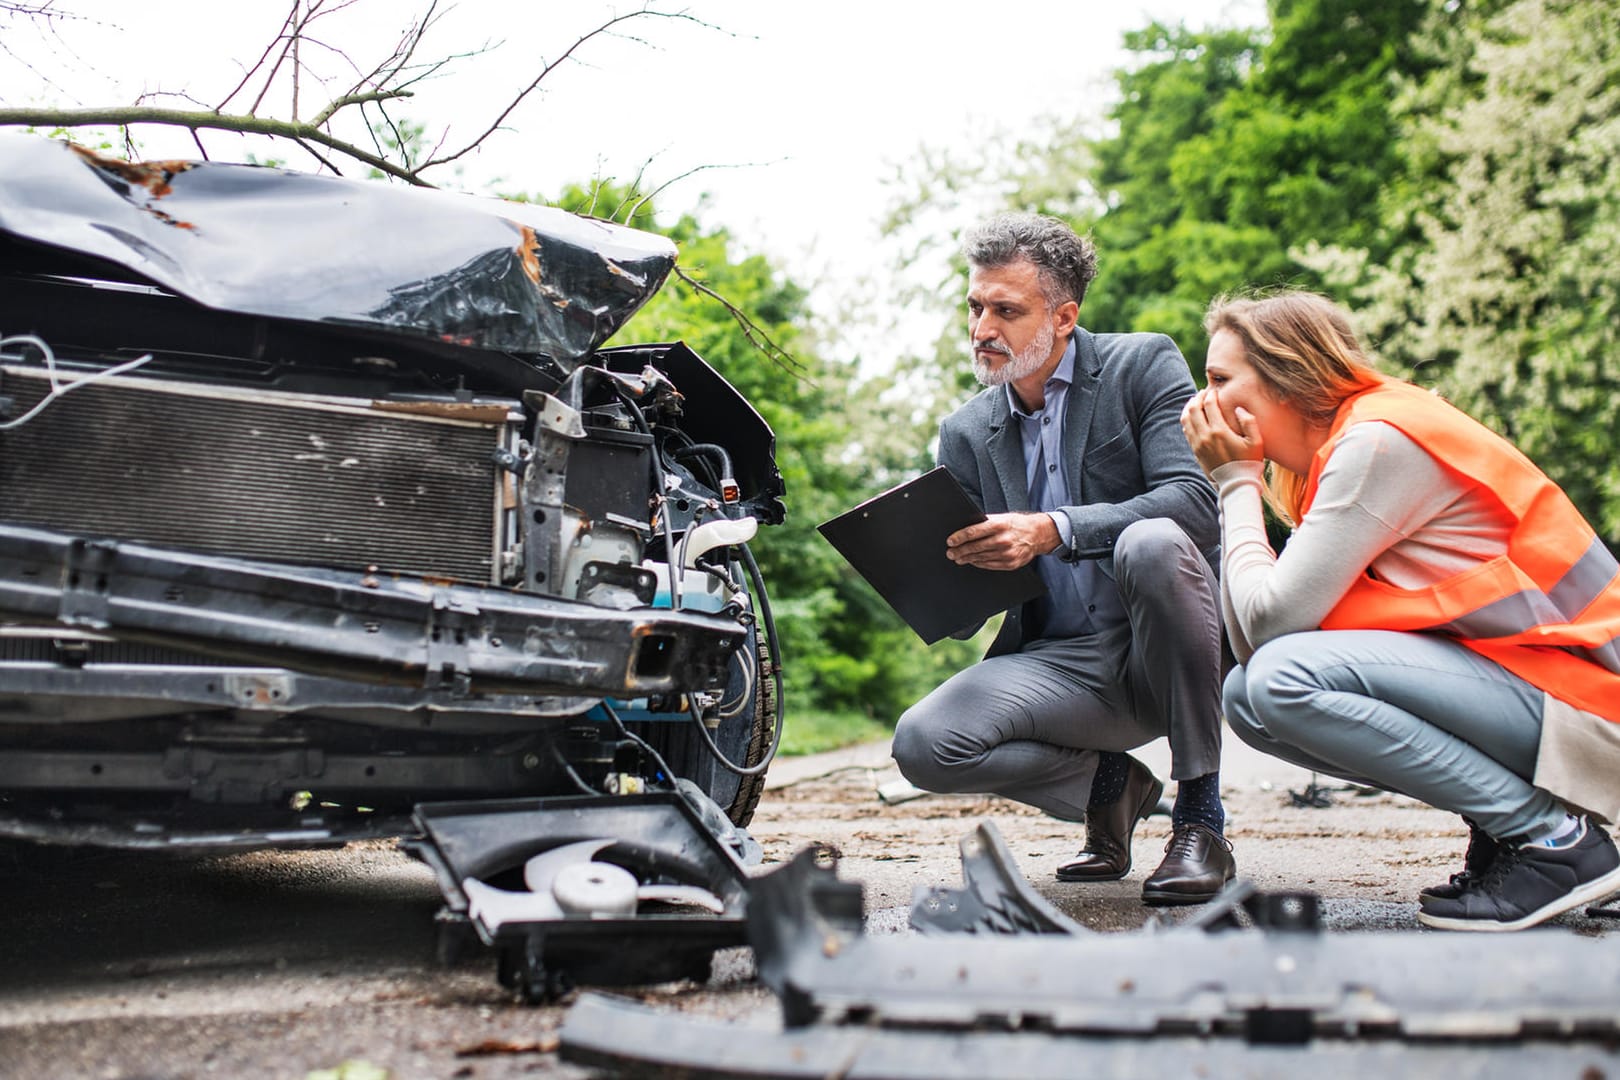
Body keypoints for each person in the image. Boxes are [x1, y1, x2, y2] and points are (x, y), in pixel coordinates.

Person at [1181, 289, 1620, 931]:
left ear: (1287, 378)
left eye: (1220, 379)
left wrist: (1237, 482)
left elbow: (1270, 629)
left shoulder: (1377, 445)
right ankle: (1512, 826)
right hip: (1546, 693)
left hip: (1592, 704)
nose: (1204, 402)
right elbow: (1256, 639)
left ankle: (1554, 843)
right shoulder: (1343, 454)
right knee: (1250, 699)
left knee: (1282, 682)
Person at [890, 212, 1233, 905]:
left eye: (1007, 310)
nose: (983, 328)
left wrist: (1054, 529)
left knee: (1153, 539)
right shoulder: (965, 430)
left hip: (1166, 646)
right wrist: (920, 566)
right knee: (923, 744)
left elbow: (1196, 504)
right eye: (975, 306)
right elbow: (969, 610)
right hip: (1063, 663)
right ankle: (1113, 786)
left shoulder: (1143, 365)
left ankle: (1201, 818)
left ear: (1065, 316)